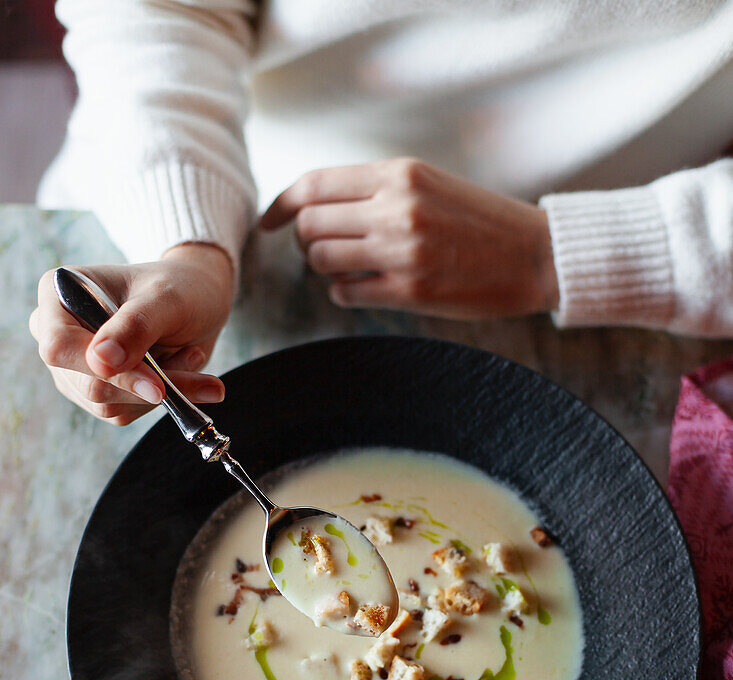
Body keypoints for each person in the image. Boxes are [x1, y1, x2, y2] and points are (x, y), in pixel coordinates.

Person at [30, 0, 733, 425]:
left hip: (630, 276)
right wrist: (184, 243)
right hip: (169, 193)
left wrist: (557, 253)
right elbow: (150, 12)